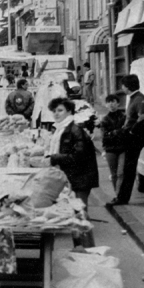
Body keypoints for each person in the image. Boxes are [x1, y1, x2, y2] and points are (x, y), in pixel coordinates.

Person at [46, 97, 99, 247]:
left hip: (80, 178)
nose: (56, 114)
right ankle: (80, 248)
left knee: (80, 216)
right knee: (75, 215)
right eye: (54, 111)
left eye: (60, 110)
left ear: (69, 111)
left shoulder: (75, 130)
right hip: (72, 177)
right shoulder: (61, 129)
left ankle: (88, 251)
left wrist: (54, 158)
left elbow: (78, 156)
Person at [108, 74, 144, 206]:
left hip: (134, 138)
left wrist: (131, 131)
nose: (122, 87)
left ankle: (122, 198)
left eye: (123, 85)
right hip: (131, 137)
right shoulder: (135, 98)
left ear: (128, 86)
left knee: (128, 170)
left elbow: (142, 118)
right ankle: (121, 196)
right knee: (127, 169)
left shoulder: (138, 99)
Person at [100, 93, 127, 192]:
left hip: (122, 148)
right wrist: (117, 131)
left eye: (113, 102)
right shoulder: (105, 120)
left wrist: (112, 133)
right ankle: (117, 193)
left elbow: (126, 132)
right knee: (114, 173)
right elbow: (105, 136)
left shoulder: (124, 117)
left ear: (118, 103)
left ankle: (120, 194)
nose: (111, 104)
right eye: (108, 102)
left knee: (121, 173)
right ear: (106, 105)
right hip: (110, 149)